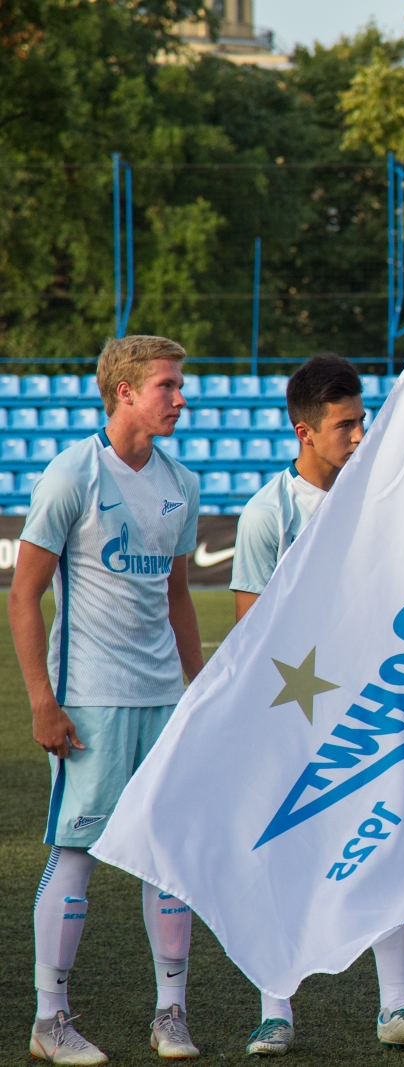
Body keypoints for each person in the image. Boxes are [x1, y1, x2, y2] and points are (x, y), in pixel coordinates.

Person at [231, 355, 404, 1055]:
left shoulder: (381, 500)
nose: (359, 436)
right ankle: (277, 1007)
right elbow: (248, 628)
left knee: (391, 844)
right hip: (293, 713)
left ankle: (397, 1006)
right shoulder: (268, 512)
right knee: (286, 850)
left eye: (362, 421)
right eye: (344, 425)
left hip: (377, 705)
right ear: (305, 430)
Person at [15, 336, 203, 1065]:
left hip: (162, 699)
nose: (180, 398)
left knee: (169, 856)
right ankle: (49, 1017)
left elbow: (179, 594)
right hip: (88, 698)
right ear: (124, 391)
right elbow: (24, 594)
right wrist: (41, 700)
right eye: (167, 385)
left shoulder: (180, 479)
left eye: (179, 385)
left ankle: (172, 1013)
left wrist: (197, 690)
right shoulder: (72, 473)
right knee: (76, 851)